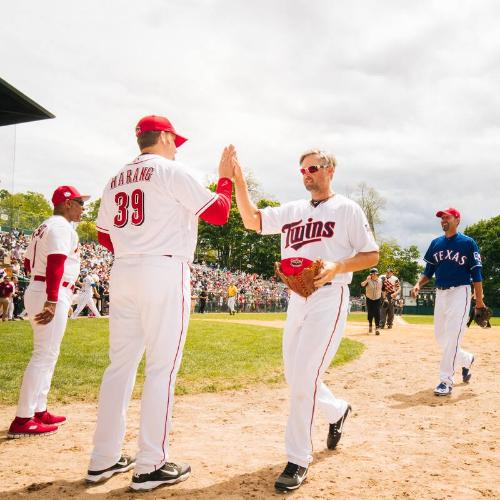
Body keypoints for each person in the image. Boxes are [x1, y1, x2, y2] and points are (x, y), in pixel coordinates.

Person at [87, 115, 235, 491]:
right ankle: (151, 465)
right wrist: (226, 179)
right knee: (161, 369)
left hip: (123, 272)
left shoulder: (114, 178)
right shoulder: (170, 170)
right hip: (163, 269)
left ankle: (102, 459)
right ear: (165, 137)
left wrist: (135, 246)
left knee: (119, 367)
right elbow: (218, 213)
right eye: (175, 139)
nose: (176, 145)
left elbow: (105, 237)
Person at [233, 149, 379, 492]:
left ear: (330, 170)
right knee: (295, 376)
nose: (306, 173)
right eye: (302, 170)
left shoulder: (347, 209)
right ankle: (337, 410)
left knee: (303, 379)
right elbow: (251, 220)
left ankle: (298, 458)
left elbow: (371, 253)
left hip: (329, 296)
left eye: (312, 167)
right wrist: (239, 181)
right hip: (297, 298)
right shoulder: (294, 210)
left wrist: (338, 267)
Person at [7, 186, 88, 438]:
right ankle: (23, 419)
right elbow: (55, 263)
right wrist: (52, 300)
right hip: (49, 291)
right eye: (78, 203)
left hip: (40, 287)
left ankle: (39, 409)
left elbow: (29, 263)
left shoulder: (46, 225)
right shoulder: (61, 227)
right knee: (43, 354)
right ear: (66, 204)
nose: (82, 208)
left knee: (48, 353)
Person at [411, 207, 485, 396]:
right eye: (441, 218)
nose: (443, 220)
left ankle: (446, 381)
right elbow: (428, 272)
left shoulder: (468, 243)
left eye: (447, 217)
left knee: (453, 336)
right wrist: (418, 284)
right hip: (441, 294)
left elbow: (476, 274)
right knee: (441, 337)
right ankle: (466, 359)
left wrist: (479, 301)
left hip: (461, 292)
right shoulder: (436, 243)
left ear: (457, 220)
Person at [360, 268, 382, 335]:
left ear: (377, 274)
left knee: (377, 313)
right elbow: (362, 285)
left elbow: (383, 289)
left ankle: (377, 327)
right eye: (373, 274)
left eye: (375, 274)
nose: (374, 275)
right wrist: (367, 280)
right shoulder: (368, 281)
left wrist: (385, 298)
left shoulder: (381, 281)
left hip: (377, 298)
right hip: (369, 299)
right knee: (370, 313)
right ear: (371, 274)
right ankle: (370, 325)